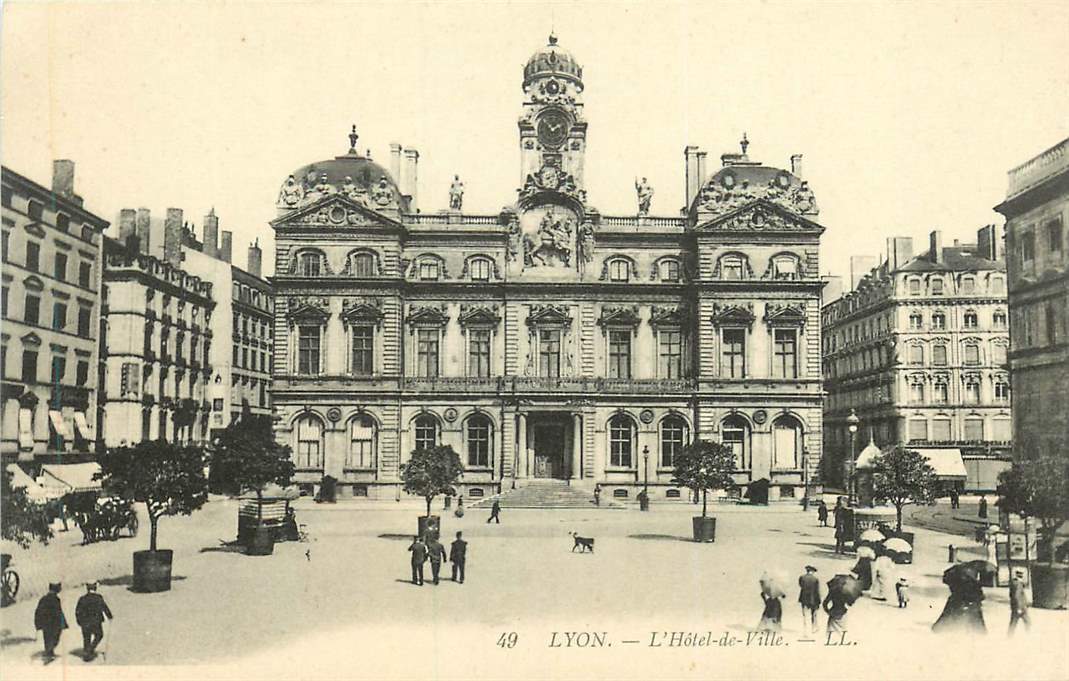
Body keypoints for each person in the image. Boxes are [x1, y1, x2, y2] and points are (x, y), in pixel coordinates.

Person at [75, 582, 113, 661]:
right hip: (96, 621)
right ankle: (90, 649)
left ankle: (87, 653)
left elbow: (77, 611)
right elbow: (104, 607)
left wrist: (79, 621)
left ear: (87, 588)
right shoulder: (98, 598)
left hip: (85, 622)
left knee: (86, 638)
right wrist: (109, 616)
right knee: (99, 635)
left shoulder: (82, 598)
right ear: (95, 588)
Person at [34, 582, 68, 663]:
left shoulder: (43, 599)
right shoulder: (56, 600)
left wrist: (38, 624)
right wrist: (63, 624)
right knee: (54, 639)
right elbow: (59, 613)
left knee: (48, 639)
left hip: (46, 624)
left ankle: (49, 653)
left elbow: (38, 612)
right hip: (54, 624)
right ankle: (48, 655)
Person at [798, 566, 822, 635]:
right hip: (813, 599)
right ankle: (813, 628)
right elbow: (817, 590)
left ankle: (805, 629)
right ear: (813, 571)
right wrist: (819, 601)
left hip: (804, 598)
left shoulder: (802, 577)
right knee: (814, 614)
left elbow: (800, 585)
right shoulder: (815, 579)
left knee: (805, 614)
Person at [1008, 569, 1031, 635]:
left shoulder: (1014, 583)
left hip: (1016, 606)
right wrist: (1019, 607)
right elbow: (1017, 596)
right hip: (1020, 607)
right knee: (1027, 622)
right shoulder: (1018, 584)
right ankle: (1029, 636)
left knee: (1013, 623)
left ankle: (1009, 636)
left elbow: (1011, 595)